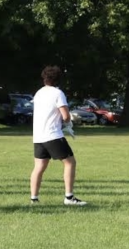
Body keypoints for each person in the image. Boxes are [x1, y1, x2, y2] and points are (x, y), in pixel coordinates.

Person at [29, 66, 87, 206]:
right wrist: (68, 124)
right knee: (70, 162)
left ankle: (34, 199)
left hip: (38, 136)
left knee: (39, 167)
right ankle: (69, 197)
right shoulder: (57, 93)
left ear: (44, 78)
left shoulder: (39, 93)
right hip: (53, 134)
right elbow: (66, 116)